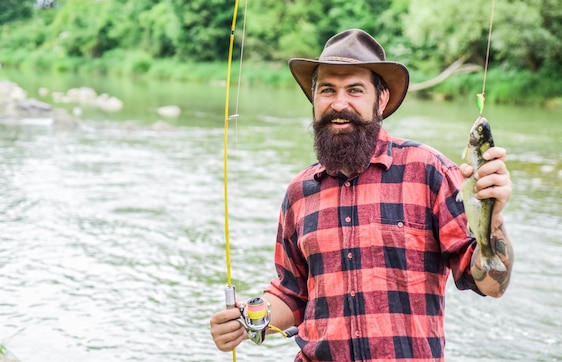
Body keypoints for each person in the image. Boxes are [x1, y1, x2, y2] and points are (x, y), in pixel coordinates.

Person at [210, 29, 514, 361]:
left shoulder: (429, 172)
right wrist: (248, 321)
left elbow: (491, 284)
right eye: (327, 90)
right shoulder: (299, 193)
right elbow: (292, 294)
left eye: (355, 90)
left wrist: (493, 218)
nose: (339, 104)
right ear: (314, 99)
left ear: (380, 100)